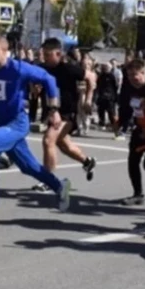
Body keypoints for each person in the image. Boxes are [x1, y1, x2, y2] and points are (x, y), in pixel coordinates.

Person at [0, 34, 71, 225]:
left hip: (17, 123)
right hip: (0, 124)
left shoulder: (19, 68)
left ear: (5, 50)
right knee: (28, 167)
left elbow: (49, 80)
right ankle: (59, 186)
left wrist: (54, 110)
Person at [35, 38, 96, 191]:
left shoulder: (69, 68)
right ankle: (87, 161)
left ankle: (49, 180)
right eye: (44, 54)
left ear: (58, 53)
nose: (45, 58)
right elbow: (34, 84)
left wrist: (88, 99)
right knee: (64, 145)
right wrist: (35, 89)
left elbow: (91, 77)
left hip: (68, 113)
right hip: (51, 112)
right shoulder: (42, 68)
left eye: (49, 55)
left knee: (48, 140)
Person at [115, 59, 145, 205]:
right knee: (133, 161)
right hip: (140, 128)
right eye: (129, 75)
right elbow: (126, 107)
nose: (132, 79)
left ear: (144, 73)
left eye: (135, 75)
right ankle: (137, 194)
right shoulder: (128, 87)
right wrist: (120, 123)